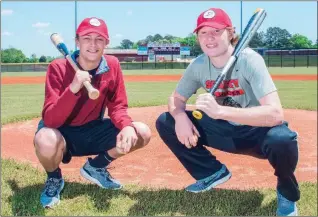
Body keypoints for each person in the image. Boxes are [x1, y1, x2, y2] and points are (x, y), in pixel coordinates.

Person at [155, 8, 299, 216]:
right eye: (203, 32)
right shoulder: (199, 65)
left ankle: (286, 193)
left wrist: (221, 111)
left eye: (216, 31)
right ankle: (211, 173)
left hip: (256, 133)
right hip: (223, 131)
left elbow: (276, 114)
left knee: (283, 138)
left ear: (231, 33)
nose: (209, 38)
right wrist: (179, 117)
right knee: (166, 121)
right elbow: (176, 99)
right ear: (197, 37)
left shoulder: (250, 60)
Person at [33, 17, 151, 208]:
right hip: (62, 132)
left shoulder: (112, 65)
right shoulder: (58, 67)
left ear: (106, 43)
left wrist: (126, 126)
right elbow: (51, 119)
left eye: (99, 39)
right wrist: (73, 88)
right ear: (77, 41)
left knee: (141, 132)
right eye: (87, 38)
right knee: (45, 139)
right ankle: (54, 178)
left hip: (93, 130)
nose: (93, 44)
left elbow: (118, 106)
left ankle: (95, 167)